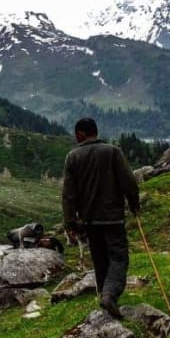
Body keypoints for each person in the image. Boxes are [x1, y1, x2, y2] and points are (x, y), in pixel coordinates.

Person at [62, 118, 140, 318]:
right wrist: (134, 204)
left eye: (76, 134)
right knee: (118, 257)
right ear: (95, 132)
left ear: (81, 134)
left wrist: (70, 222)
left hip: (89, 220)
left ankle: (105, 298)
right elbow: (129, 182)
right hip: (112, 217)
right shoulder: (112, 152)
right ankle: (110, 296)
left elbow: (69, 194)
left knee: (100, 259)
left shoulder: (73, 157)